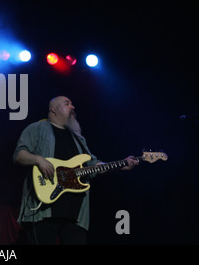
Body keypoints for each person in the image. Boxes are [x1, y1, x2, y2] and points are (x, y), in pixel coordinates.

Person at [13, 96, 138, 245]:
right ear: (54, 109)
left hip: (75, 216)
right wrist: (39, 160)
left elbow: (94, 166)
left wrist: (122, 164)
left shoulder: (79, 139)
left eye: (72, 104)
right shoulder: (37, 128)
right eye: (67, 104)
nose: (73, 107)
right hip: (43, 212)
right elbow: (19, 155)